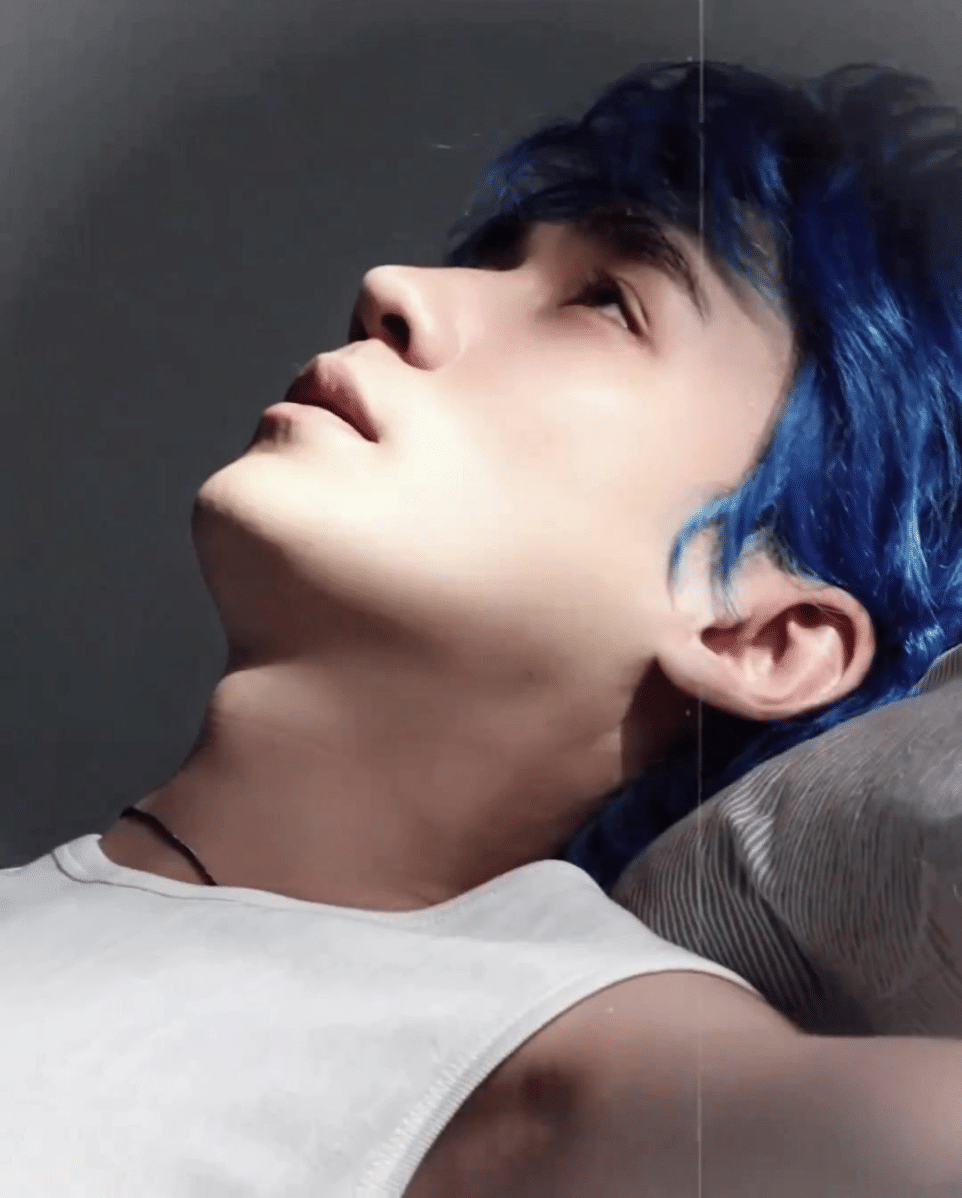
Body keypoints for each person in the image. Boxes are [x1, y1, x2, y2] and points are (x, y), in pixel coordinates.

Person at [3, 59, 962, 1198]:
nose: (392, 288)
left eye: (605, 301)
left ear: (763, 636)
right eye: (494, 261)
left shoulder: (570, 1068)